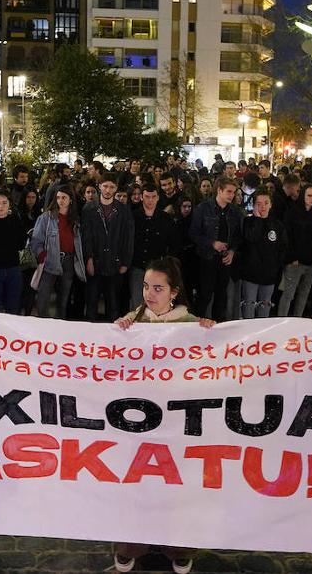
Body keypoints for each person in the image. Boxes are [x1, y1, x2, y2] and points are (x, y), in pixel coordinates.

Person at [112, 256, 214, 574]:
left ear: (174, 292)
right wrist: (117, 333)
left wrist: (213, 335)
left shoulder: (190, 324)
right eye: (145, 286)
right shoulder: (134, 321)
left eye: (158, 288)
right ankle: (133, 544)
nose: (149, 293)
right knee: (137, 483)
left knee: (175, 484)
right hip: (137, 422)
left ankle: (178, 547)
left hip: (175, 422)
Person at [81, 173, 135, 322]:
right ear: (99, 186)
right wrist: (89, 259)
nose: (108, 190)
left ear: (116, 188)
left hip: (115, 262)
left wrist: (125, 262)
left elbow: (128, 238)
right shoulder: (89, 208)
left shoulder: (123, 210)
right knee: (91, 302)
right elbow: (86, 237)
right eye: (105, 186)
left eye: (111, 187)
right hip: (96, 261)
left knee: (113, 304)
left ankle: (113, 341)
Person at [188, 176, 243, 321]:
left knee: (221, 295)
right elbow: (193, 233)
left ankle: (219, 327)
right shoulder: (203, 208)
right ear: (219, 190)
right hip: (207, 258)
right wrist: (212, 243)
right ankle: (198, 325)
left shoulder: (235, 212)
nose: (232, 195)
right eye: (229, 192)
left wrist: (232, 251)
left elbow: (238, 236)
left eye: (234, 192)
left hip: (225, 260)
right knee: (204, 295)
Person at [31, 188, 86, 318]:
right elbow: (36, 240)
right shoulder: (46, 218)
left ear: (70, 200)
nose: (61, 201)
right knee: (43, 298)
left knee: (63, 298)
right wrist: (42, 255)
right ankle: (43, 325)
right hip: (50, 260)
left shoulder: (76, 220)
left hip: (69, 260)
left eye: (64, 198)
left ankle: (60, 326)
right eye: (58, 197)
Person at [238, 190, 286, 318]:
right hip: (251, 274)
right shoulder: (248, 223)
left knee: (264, 309)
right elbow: (252, 238)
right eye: (259, 203)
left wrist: (276, 269)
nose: (262, 206)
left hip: (269, 275)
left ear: (271, 204)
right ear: (254, 205)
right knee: (249, 307)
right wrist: (258, 220)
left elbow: (281, 249)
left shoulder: (277, 225)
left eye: (266, 203)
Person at [128, 183, 174, 310]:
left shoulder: (166, 218)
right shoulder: (133, 216)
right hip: (137, 266)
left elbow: (172, 243)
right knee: (137, 303)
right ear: (142, 197)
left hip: (158, 267)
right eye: (147, 196)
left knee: (157, 303)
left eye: (153, 196)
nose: (150, 200)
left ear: (158, 197)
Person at [279, 184, 312, 317]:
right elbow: (286, 236)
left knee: (304, 294)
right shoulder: (292, 212)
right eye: (309, 195)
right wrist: (291, 258)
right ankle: (281, 321)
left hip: (311, 262)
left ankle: (298, 321)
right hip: (295, 261)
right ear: (302, 195)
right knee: (288, 295)